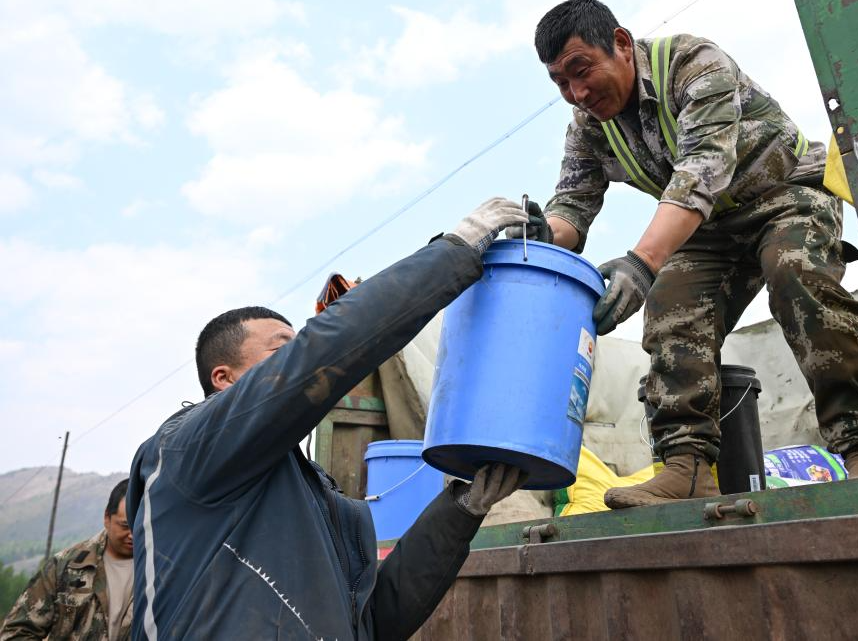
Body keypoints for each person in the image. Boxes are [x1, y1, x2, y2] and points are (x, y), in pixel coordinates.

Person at [513, 0, 858, 508]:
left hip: (785, 192)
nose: (577, 92)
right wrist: (536, 235)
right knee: (670, 308)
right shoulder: (589, 126)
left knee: (795, 274)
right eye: (561, 83)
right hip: (709, 226)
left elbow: (701, 171)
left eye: (581, 70)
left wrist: (641, 263)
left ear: (621, 44)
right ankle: (687, 467)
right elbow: (572, 205)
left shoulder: (693, 63)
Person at [125, 198, 529, 641]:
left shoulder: (321, 500)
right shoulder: (186, 449)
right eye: (282, 348)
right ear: (224, 378)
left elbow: (373, 624)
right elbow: (320, 351)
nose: (299, 354)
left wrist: (461, 510)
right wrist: (451, 254)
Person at [2, 480, 134, 640]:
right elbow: (15, 633)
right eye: (125, 526)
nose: (132, 534)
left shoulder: (158, 572)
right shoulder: (66, 567)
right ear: (107, 518)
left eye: (139, 525)